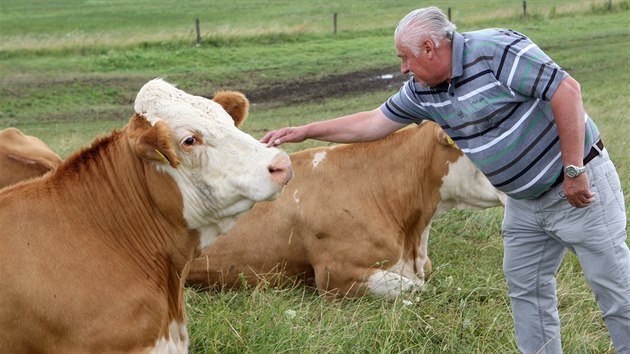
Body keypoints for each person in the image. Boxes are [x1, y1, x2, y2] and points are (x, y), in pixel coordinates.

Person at [260, 6, 629, 354]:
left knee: (615, 291)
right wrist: (305, 130)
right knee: (527, 291)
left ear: (429, 47)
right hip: (522, 200)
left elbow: (566, 90)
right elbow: (373, 122)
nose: (404, 68)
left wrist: (574, 169)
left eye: (406, 57)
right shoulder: (424, 90)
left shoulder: (496, 50)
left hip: (574, 187)